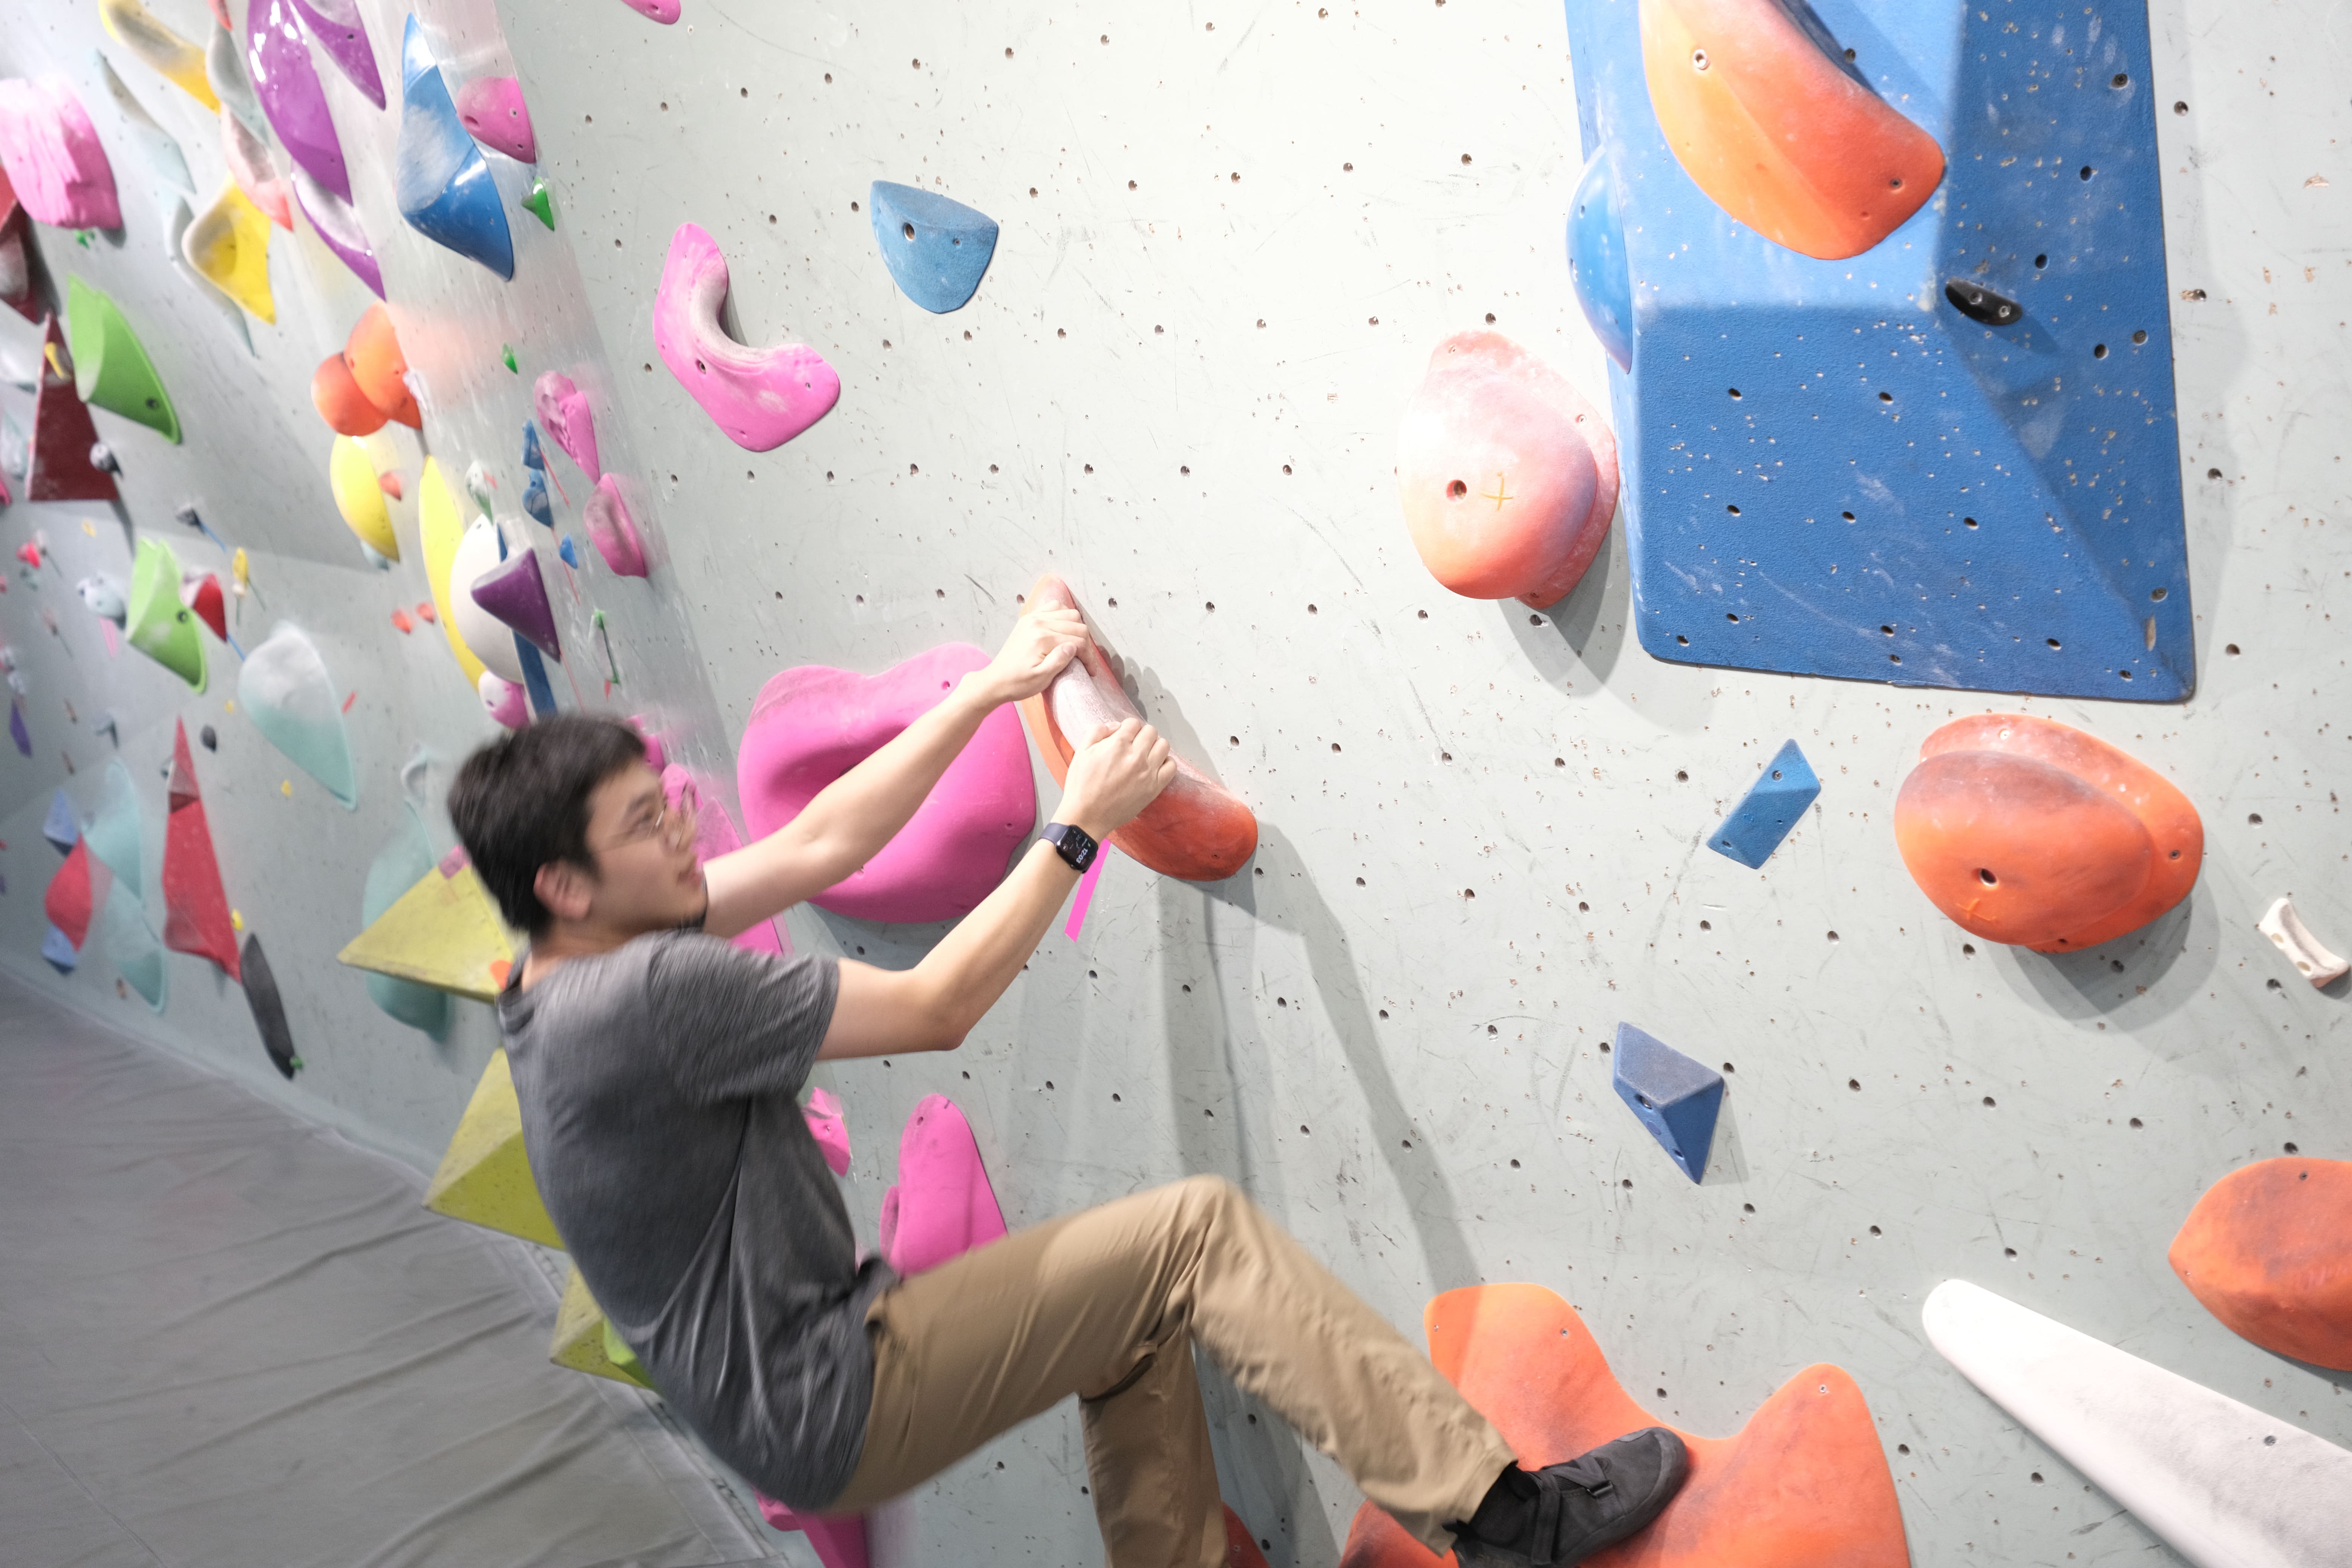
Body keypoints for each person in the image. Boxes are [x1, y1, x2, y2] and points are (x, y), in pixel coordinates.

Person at [449, 608, 1689, 1568]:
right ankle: (1508, 1522)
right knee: (1195, 1237)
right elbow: (935, 1010)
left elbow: (822, 842)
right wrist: (1078, 823)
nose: (680, 826)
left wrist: (991, 686)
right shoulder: (648, 994)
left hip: (791, 1398)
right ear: (565, 883)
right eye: (643, 822)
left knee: (1135, 1315)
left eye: (662, 803)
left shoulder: (574, 967)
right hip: (831, 1390)